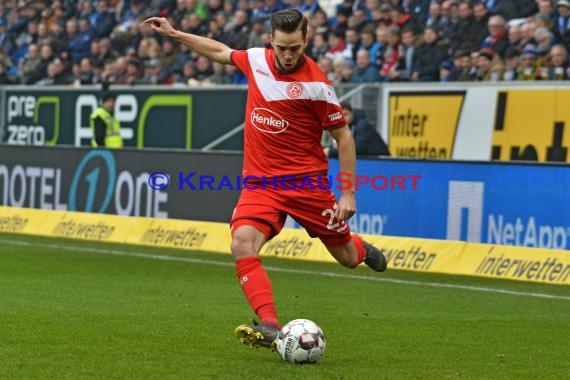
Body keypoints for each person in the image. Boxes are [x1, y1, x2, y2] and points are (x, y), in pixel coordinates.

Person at [145, 9, 387, 352]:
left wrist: (348, 193)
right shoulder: (257, 60)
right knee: (242, 243)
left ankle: (361, 247)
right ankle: (270, 325)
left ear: (306, 41)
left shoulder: (317, 85)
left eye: (295, 49)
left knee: (347, 258)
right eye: (282, 48)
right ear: (271, 41)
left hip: (307, 186)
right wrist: (174, 34)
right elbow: (219, 51)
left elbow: (343, 138)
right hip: (261, 185)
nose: (288, 56)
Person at [325, 100, 390, 158]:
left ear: (351, 114)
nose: (343, 118)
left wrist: (331, 152)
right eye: (341, 116)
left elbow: (355, 149)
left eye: (345, 114)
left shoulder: (362, 126)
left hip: (383, 161)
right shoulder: (346, 127)